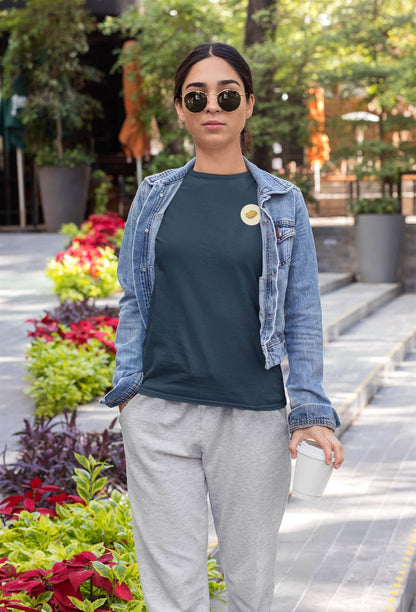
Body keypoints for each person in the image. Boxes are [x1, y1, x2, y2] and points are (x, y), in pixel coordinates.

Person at [103, 42, 344, 612]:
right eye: (197, 96)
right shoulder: (154, 195)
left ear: (248, 106)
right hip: (159, 413)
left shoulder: (282, 203)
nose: (213, 106)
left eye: (227, 94)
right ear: (182, 110)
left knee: (250, 588)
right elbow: (135, 297)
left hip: (252, 419)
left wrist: (309, 410)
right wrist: (129, 391)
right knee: (172, 592)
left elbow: (302, 311)